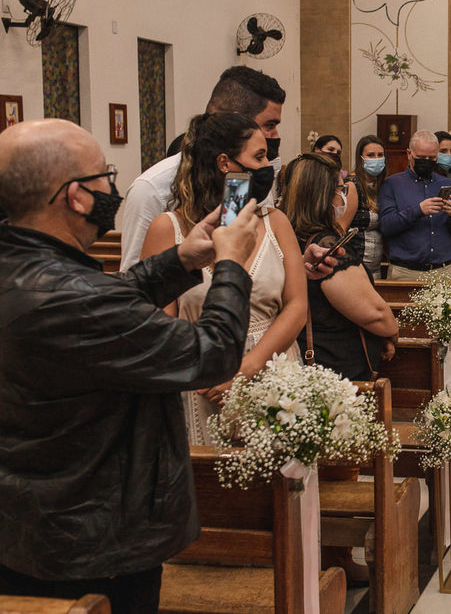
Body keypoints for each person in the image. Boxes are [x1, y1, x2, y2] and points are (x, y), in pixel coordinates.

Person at [0, 119, 260, 612]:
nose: (111, 188)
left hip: (29, 525)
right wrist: (231, 266)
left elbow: (101, 303)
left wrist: (180, 260)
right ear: (76, 197)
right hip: (94, 540)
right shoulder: (75, 298)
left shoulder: (23, 265)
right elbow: (213, 353)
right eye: (104, 176)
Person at [140, 112, 306, 446]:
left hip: (272, 369)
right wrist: (206, 371)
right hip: (202, 381)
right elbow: (159, 324)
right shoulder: (168, 229)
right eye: (259, 157)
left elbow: (297, 306)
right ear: (224, 163)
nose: (268, 166)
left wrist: (247, 367)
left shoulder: (276, 222)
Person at [120, 66, 285, 270]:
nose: (275, 135)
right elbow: (135, 277)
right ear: (232, 122)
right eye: (269, 125)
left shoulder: (250, 176)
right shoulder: (151, 189)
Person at [282, 153, 398, 380]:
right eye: (340, 189)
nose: (344, 196)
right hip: (335, 366)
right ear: (322, 195)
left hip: (313, 363)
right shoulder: (325, 246)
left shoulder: (288, 236)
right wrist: (392, 331)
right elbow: (375, 315)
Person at [378, 130, 451, 280]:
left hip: (443, 271)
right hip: (405, 272)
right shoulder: (392, 184)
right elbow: (386, 226)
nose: (427, 162)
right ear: (409, 154)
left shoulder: (450, 186)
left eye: (432, 158)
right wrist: (418, 210)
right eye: (421, 158)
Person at [353, 135, 388, 278]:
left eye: (380, 155)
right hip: (356, 265)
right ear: (361, 159)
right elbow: (340, 229)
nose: (376, 159)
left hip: (377, 266)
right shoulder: (352, 185)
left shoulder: (384, 186)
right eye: (371, 155)